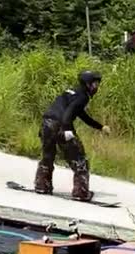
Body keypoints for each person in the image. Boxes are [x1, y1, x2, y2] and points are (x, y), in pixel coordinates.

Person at [34, 71, 111, 201]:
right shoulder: (83, 97)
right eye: (95, 84)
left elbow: (82, 115)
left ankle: (42, 185)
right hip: (61, 125)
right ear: (87, 84)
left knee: (48, 156)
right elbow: (68, 114)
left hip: (46, 123)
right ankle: (81, 192)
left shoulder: (71, 92)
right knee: (80, 159)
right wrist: (67, 130)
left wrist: (100, 127)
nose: (96, 87)